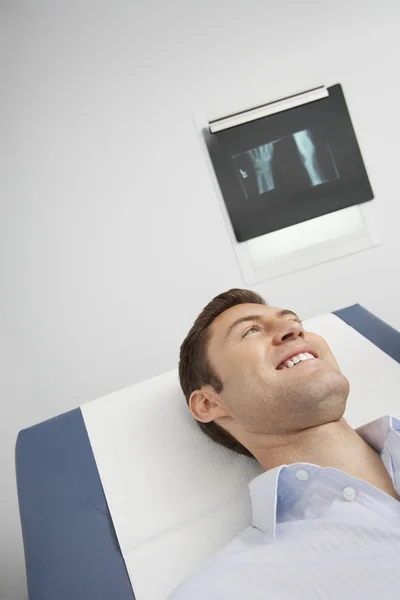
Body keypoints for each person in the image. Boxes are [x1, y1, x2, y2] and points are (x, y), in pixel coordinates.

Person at [170, 288, 400, 599]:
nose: (294, 329)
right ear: (209, 404)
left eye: (294, 320)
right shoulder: (228, 589)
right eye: (251, 330)